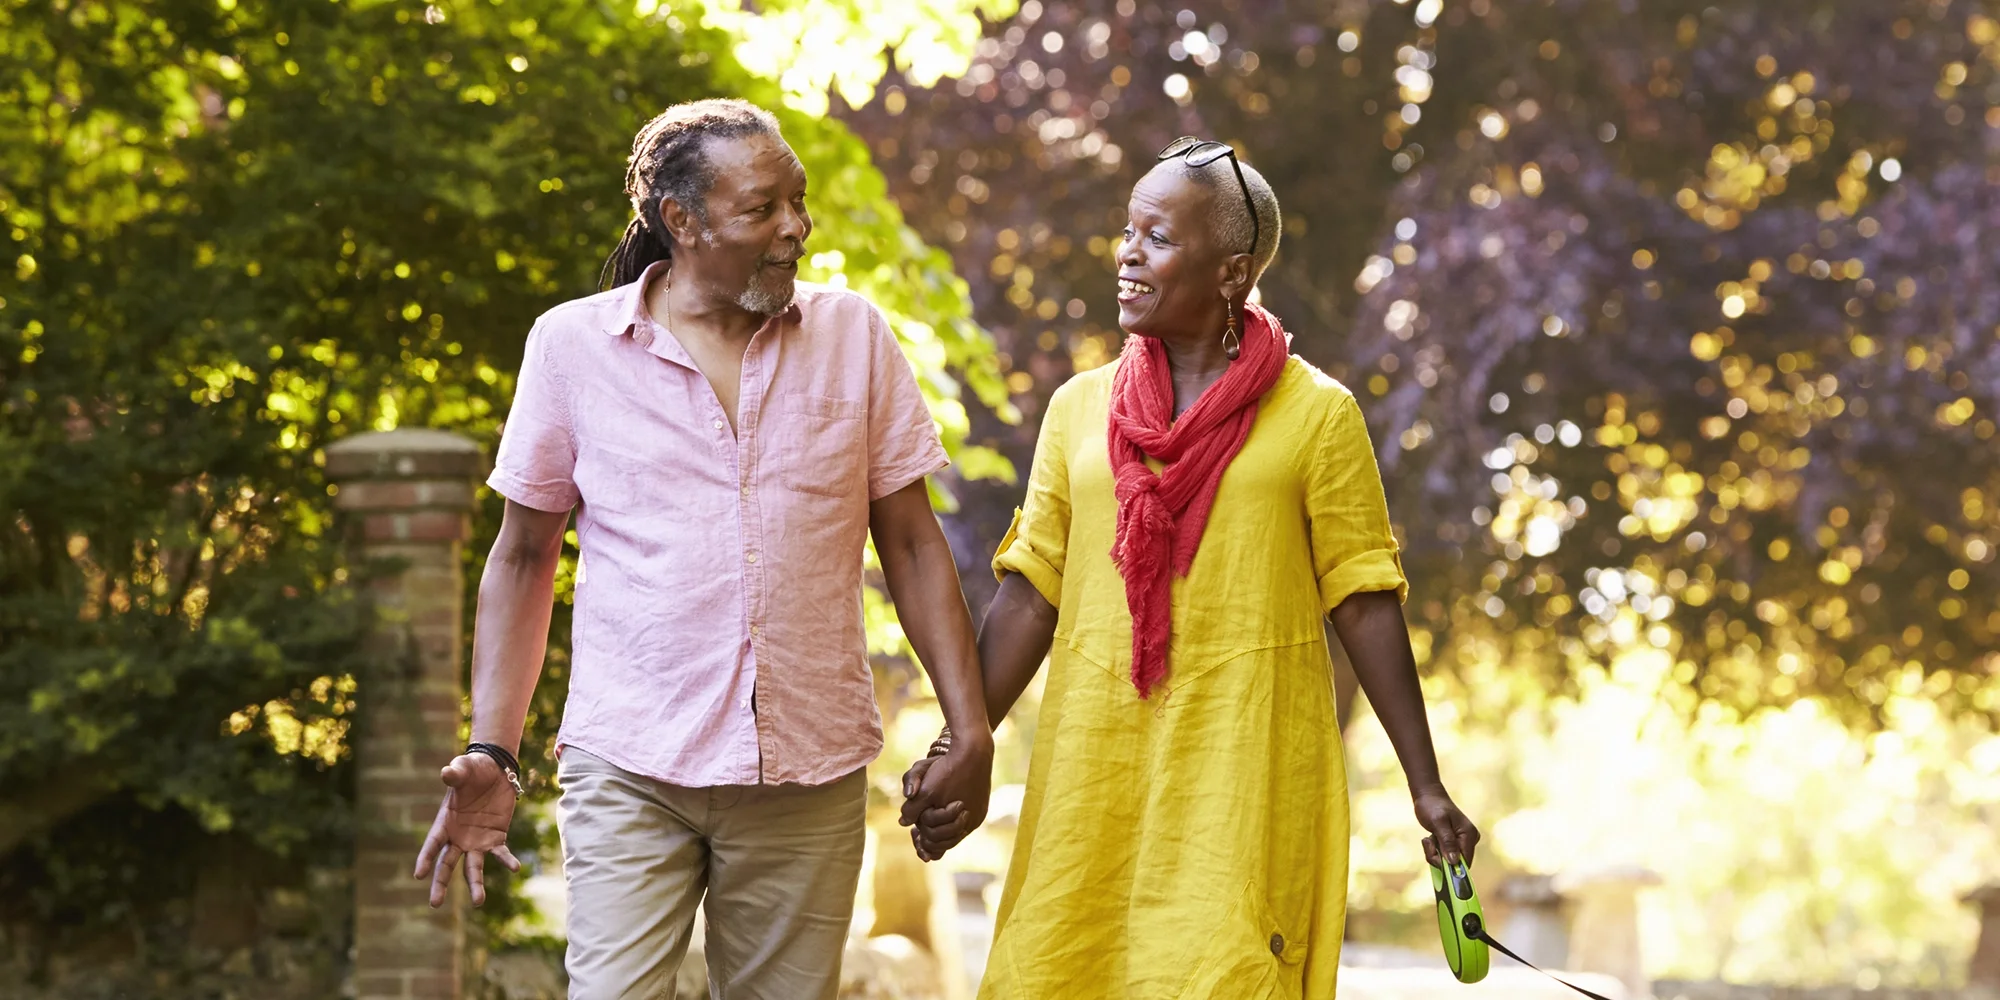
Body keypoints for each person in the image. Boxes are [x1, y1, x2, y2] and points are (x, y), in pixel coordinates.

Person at [411, 98, 993, 1000]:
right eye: (763, 210)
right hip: (634, 762)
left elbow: (913, 544)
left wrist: (971, 725)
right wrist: (495, 746)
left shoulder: (855, 338)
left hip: (809, 766)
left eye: (798, 203)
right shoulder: (572, 347)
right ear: (679, 221)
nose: (795, 229)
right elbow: (523, 558)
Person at [900, 138, 1482, 999]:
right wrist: (964, 737)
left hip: (1244, 767)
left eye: (1158, 237)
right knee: (1061, 966)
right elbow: (1031, 592)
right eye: (1128, 231)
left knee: (1225, 973)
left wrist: (1425, 786)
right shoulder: (1078, 410)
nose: (1128, 253)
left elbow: (1364, 600)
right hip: (1093, 769)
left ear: (1232, 272)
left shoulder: (1319, 416)